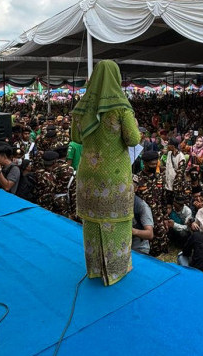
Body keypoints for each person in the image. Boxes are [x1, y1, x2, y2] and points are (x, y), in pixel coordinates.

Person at [71, 60, 141, 286]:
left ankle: (94, 269)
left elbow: (76, 138)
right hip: (114, 176)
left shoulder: (82, 107)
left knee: (92, 222)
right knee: (116, 222)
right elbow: (133, 139)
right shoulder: (121, 108)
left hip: (88, 176)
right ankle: (116, 271)